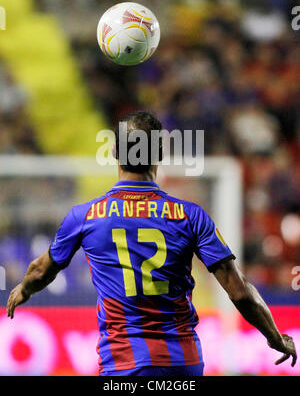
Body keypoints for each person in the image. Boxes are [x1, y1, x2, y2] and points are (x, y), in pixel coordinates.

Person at [7, 111, 297, 376]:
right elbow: (240, 291)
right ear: (159, 154)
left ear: (114, 152)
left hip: (125, 364)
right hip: (183, 364)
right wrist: (275, 336)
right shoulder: (190, 215)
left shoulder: (86, 216)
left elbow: (41, 270)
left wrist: (25, 289)